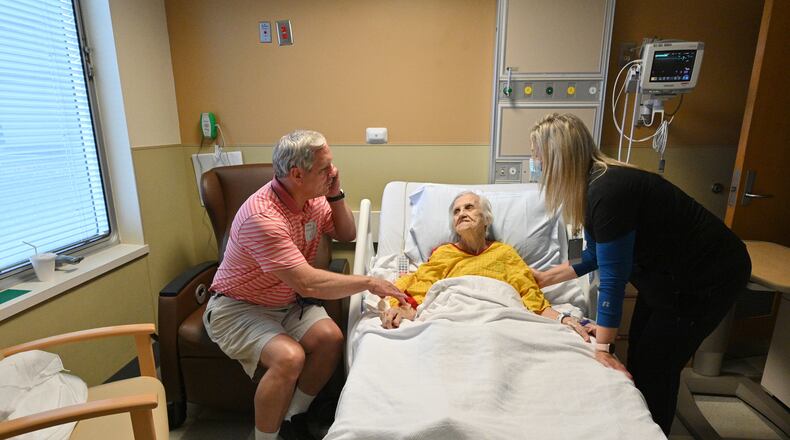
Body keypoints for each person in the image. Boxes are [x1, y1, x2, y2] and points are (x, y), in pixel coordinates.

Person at [527, 113, 751, 435]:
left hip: (707, 275)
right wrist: (548, 277)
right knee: (643, 352)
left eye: (538, 156)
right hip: (667, 277)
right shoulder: (594, 186)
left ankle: (653, 430)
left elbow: (614, 279)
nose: (535, 163)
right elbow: (596, 254)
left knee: (657, 364)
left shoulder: (608, 190)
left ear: (558, 158)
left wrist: (602, 348)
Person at [203, 129, 406, 440]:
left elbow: (347, 233)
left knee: (330, 339)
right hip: (238, 307)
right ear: (297, 174)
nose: (333, 171)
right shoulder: (263, 217)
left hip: (286, 301)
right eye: (325, 168)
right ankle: (264, 437)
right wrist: (369, 282)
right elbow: (308, 283)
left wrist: (335, 191)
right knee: (289, 358)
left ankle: (291, 417)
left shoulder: (311, 200)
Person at [380, 191, 591, 343]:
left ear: (486, 219)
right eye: (456, 211)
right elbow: (422, 287)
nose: (461, 213)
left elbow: (530, 294)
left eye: (469, 207)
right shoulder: (444, 253)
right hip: (451, 316)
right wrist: (403, 309)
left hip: (499, 319)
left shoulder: (505, 253)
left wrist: (562, 318)